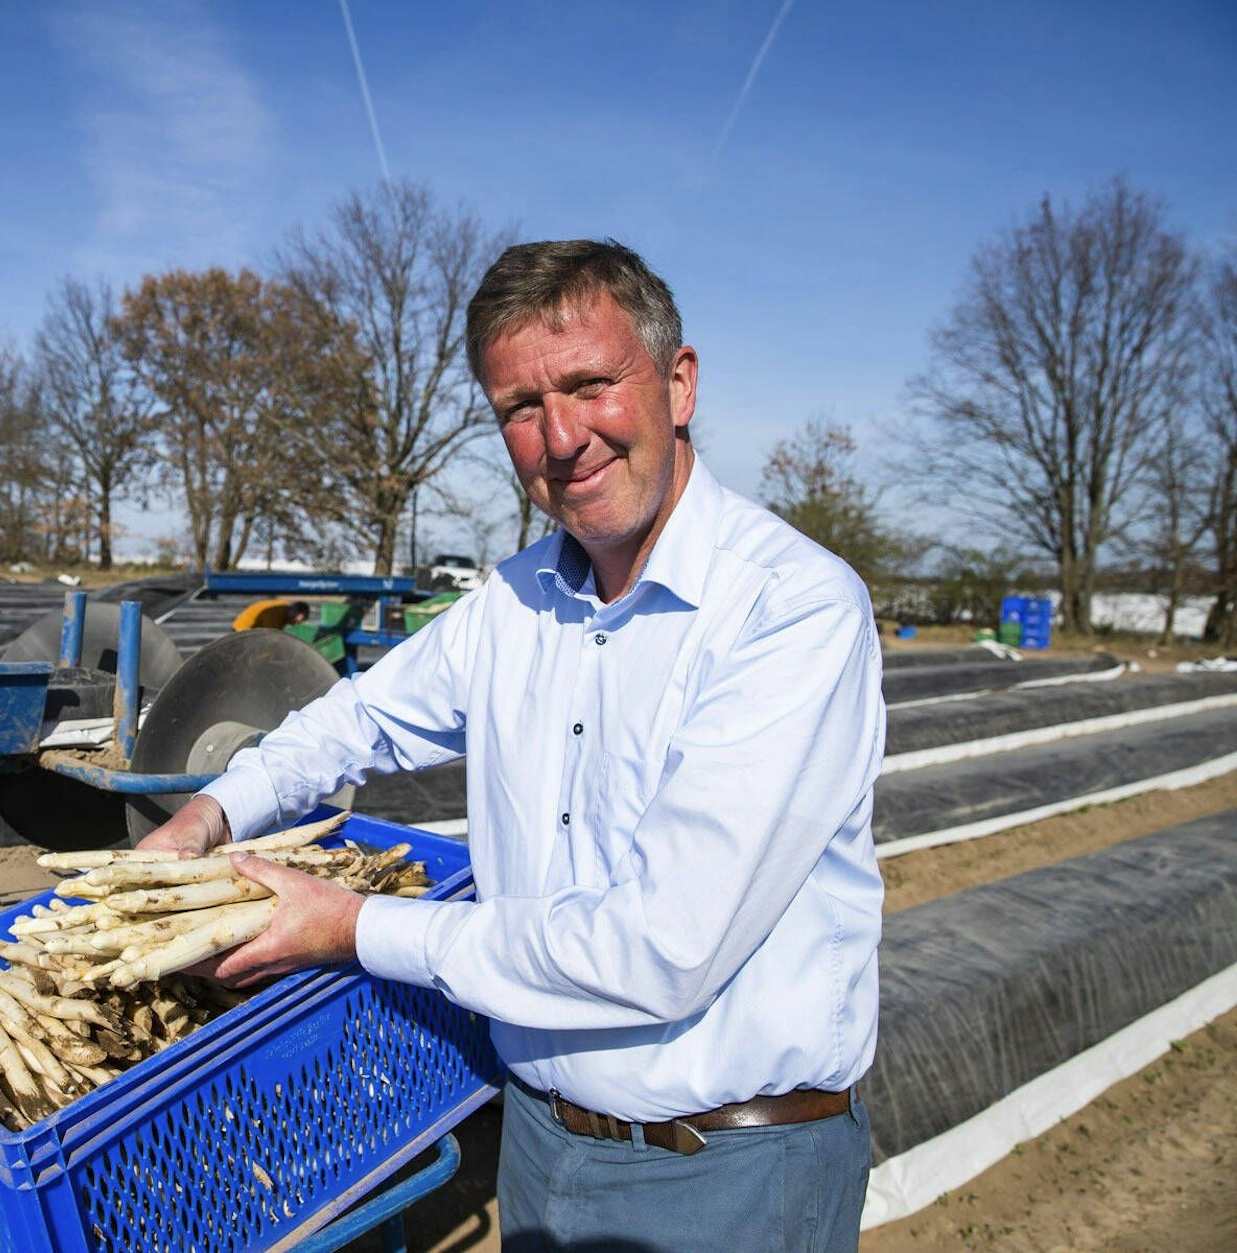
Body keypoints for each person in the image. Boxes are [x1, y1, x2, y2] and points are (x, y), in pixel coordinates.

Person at [139, 239, 885, 1251]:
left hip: (727, 1174)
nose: (560, 435)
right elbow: (352, 717)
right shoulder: (515, 600)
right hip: (537, 1141)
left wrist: (352, 927)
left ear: (677, 382)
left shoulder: (788, 610)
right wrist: (209, 812)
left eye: (588, 384)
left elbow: (658, 949)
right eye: (517, 410)